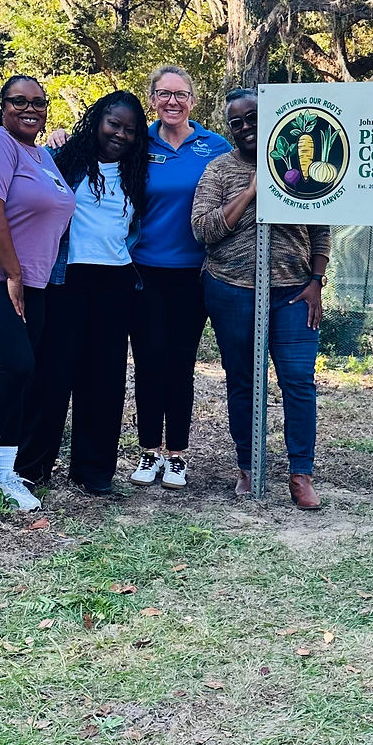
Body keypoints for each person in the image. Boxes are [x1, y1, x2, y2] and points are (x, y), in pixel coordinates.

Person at [191, 89, 330, 509]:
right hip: (232, 289)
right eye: (237, 122)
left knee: (298, 382)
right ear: (229, 128)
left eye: (253, 117)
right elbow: (203, 229)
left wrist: (317, 280)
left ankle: (300, 473)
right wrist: (251, 191)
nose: (246, 127)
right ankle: (249, 467)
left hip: (293, 292)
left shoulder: (299, 169)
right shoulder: (218, 171)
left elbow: (321, 228)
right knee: (243, 381)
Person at [16, 92, 149, 494]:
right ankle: (33, 466)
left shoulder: (136, 170)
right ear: (97, 121)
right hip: (66, 280)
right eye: (114, 124)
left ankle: (93, 472)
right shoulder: (62, 159)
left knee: (104, 378)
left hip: (117, 283)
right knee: (52, 375)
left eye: (129, 129)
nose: (120, 134)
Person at [128, 66, 231, 489]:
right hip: (143, 272)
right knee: (149, 361)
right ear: (152, 98)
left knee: (181, 363)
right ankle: (149, 451)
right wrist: (60, 136)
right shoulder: (138, 144)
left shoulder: (215, 146)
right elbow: (92, 153)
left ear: (193, 99)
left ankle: (177, 455)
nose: (173, 101)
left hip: (194, 274)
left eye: (181, 94)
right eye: (164, 93)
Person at [0, 76, 76, 510]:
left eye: (38, 102)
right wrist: (13, 272)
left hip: (35, 283)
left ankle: (6, 473)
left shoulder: (41, 156)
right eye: (18, 101)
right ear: (2, 105)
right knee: (14, 367)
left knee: (25, 379)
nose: (30, 108)